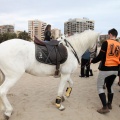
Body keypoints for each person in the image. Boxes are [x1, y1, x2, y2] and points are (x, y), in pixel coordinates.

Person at [91, 28, 120, 114]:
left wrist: (92, 61)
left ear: (110, 34)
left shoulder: (106, 43)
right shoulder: (119, 44)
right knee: (110, 86)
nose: (108, 36)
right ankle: (109, 104)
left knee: (100, 87)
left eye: (108, 34)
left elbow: (100, 56)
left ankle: (105, 107)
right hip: (115, 69)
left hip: (106, 68)